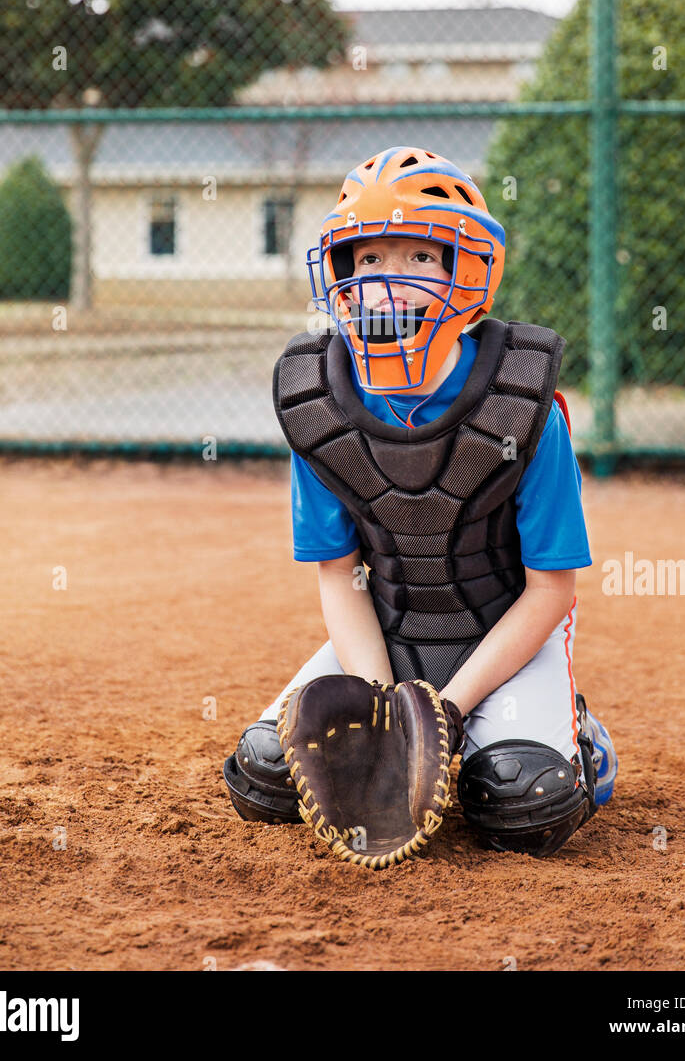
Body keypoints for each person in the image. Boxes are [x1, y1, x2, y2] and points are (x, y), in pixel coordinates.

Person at [223, 146, 617, 857]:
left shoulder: (521, 405)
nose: (385, 285)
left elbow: (552, 591)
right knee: (267, 775)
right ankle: (424, 715)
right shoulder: (321, 406)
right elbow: (338, 577)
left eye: (417, 258)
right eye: (367, 261)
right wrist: (387, 714)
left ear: (468, 272)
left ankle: (581, 744)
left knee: (521, 800)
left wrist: (450, 714)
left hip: (508, 636)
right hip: (393, 628)